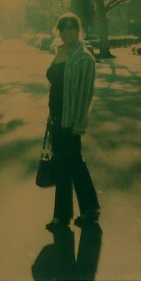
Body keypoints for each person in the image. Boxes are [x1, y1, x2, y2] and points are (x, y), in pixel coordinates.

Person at [45, 12, 100, 231]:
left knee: (69, 165)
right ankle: (81, 212)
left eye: (71, 27)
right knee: (69, 164)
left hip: (70, 121)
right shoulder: (60, 52)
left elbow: (85, 96)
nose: (67, 32)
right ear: (58, 31)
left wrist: (78, 125)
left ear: (79, 30)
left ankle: (69, 215)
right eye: (63, 28)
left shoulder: (84, 58)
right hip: (56, 118)